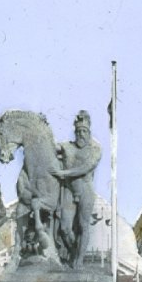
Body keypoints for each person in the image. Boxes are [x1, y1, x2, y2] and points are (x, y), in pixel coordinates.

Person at [55, 109, 101, 266]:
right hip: (68, 190)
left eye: (84, 131)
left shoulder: (95, 149)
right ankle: (75, 253)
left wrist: (64, 172)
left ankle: (78, 260)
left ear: (89, 132)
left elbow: (85, 168)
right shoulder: (67, 146)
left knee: (83, 225)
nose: (81, 134)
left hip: (85, 190)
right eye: (78, 131)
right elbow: (49, 149)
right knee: (65, 227)